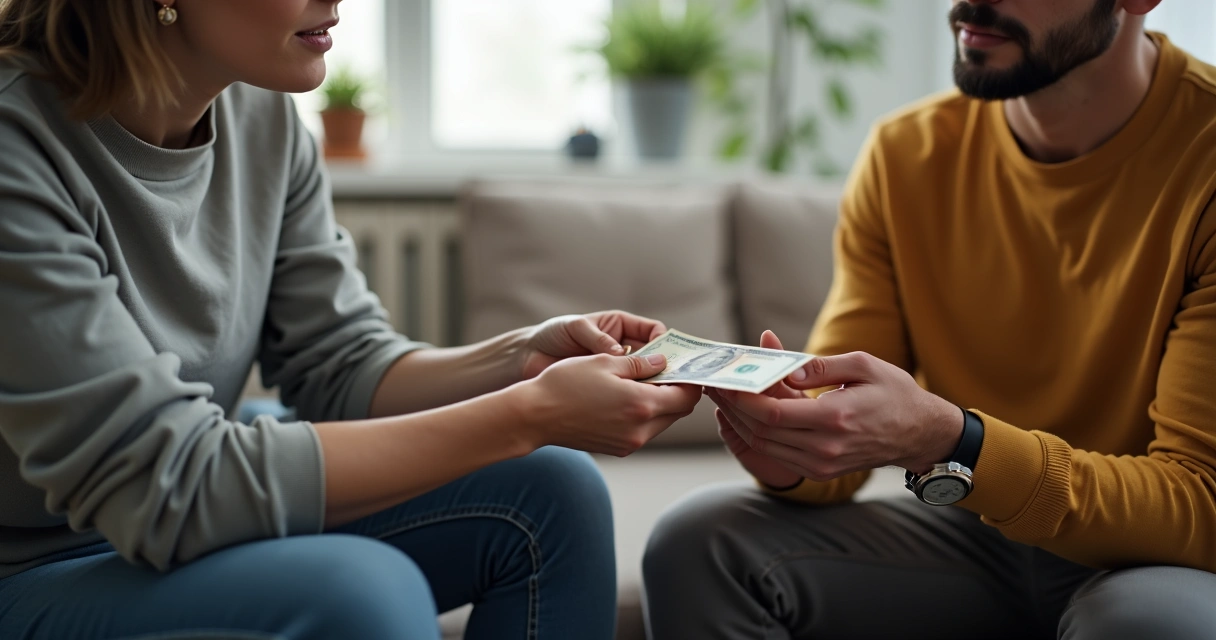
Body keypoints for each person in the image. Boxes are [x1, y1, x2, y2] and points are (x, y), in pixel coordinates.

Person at [0, 1, 701, 638]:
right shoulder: (16, 146)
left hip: (178, 504)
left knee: (555, 489)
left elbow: (340, 362)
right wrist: (525, 415)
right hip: (32, 565)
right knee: (362, 594)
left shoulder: (260, 114)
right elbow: (168, 485)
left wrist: (524, 359)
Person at [643, 0, 1216, 638]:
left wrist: (953, 443)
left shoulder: (1204, 157)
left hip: (1150, 558)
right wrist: (790, 447)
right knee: (701, 543)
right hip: (978, 534)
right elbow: (840, 432)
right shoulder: (905, 153)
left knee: (1147, 623)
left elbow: (1202, 504)